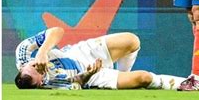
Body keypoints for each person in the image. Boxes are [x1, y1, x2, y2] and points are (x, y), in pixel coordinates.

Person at [15, 27, 185, 90]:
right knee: (144, 78)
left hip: (79, 53)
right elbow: (77, 82)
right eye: (41, 72)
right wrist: (89, 73)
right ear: (39, 83)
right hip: (92, 76)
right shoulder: (50, 85)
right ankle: (185, 83)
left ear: (23, 66)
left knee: (132, 41)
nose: (41, 67)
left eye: (35, 65)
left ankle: (122, 75)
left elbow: (57, 31)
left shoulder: (23, 53)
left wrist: (42, 51)